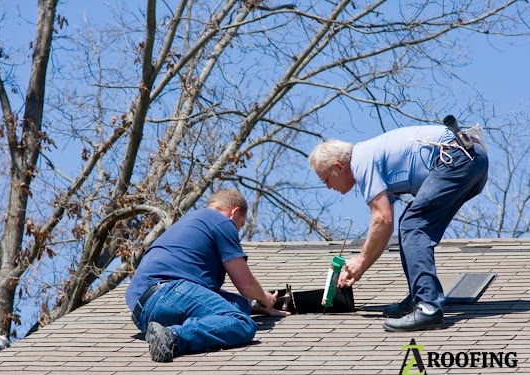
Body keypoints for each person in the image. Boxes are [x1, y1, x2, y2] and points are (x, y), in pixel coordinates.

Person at [308, 124, 488, 331]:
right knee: (410, 224)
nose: (329, 186)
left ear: (339, 167)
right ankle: (418, 297)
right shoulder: (371, 155)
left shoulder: (361, 161)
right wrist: (362, 264)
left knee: (413, 226)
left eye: (326, 180)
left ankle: (428, 308)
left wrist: (361, 262)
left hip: (457, 158)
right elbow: (387, 224)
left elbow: (382, 219)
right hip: (473, 159)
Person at [126, 189, 288, 362]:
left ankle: (164, 332)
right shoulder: (221, 221)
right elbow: (245, 284)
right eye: (239, 226)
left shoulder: (190, 222)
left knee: (239, 306)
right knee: (242, 323)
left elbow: (209, 297)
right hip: (168, 291)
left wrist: (254, 304)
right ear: (234, 212)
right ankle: (173, 337)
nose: (236, 232)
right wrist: (264, 297)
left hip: (143, 312)